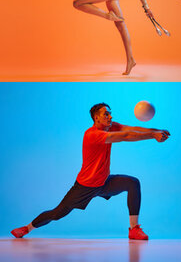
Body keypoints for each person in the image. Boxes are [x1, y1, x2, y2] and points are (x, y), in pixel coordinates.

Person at [10, 103, 170, 240]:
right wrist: (152, 135)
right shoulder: (93, 135)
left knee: (133, 183)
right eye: (106, 114)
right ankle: (27, 228)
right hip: (85, 187)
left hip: (104, 183)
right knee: (57, 213)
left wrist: (157, 131)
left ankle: (133, 229)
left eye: (110, 114)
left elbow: (131, 128)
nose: (110, 117)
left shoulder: (110, 127)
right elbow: (126, 136)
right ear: (96, 118)